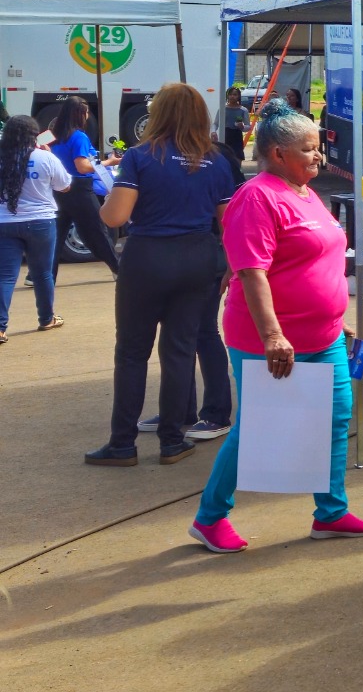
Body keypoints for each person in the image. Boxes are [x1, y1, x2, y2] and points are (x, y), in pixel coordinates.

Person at [189, 99, 363, 552]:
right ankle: (209, 517)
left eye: (318, 147)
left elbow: (317, 260)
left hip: (324, 335)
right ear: (278, 153)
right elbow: (251, 272)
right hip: (269, 339)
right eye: (309, 149)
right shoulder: (257, 196)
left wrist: (334, 318)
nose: (319, 156)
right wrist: (273, 335)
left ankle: (331, 513)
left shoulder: (305, 192)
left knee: (336, 416)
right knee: (259, 426)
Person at [83, 84, 239, 468]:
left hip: (147, 258)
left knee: (132, 352)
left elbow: (115, 217)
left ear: (159, 114)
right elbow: (229, 224)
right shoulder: (216, 160)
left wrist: (104, 202)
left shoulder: (140, 156)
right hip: (199, 258)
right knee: (180, 350)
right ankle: (172, 440)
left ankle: (122, 444)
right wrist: (231, 267)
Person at [135, 136, 246, 442]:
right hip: (179, 256)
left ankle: (216, 413)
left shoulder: (216, 157)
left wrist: (231, 261)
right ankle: (178, 410)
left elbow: (232, 214)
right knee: (177, 335)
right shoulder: (159, 155)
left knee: (203, 332)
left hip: (207, 254)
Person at [0, 115, 71, 343]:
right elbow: (64, 186)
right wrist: (48, 155)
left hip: (5, 222)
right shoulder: (44, 157)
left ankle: (0, 328)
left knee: (5, 277)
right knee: (42, 274)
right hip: (41, 222)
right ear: (34, 135)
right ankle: (46, 318)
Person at [49, 96, 120, 279]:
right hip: (79, 189)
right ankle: (118, 269)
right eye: (86, 112)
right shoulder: (79, 136)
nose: (88, 116)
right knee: (98, 231)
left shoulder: (53, 136)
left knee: (56, 235)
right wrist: (109, 162)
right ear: (80, 114)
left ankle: (42, 276)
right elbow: (82, 166)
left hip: (57, 188)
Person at [222, 87, 250, 161]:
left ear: (238, 97)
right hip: (226, 135)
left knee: (238, 158)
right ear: (227, 96)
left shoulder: (243, 110)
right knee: (226, 158)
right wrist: (213, 132)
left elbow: (248, 127)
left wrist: (242, 126)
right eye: (230, 94)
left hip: (237, 136)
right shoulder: (223, 109)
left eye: (235, 95)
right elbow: (215, 123)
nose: (232, 96)